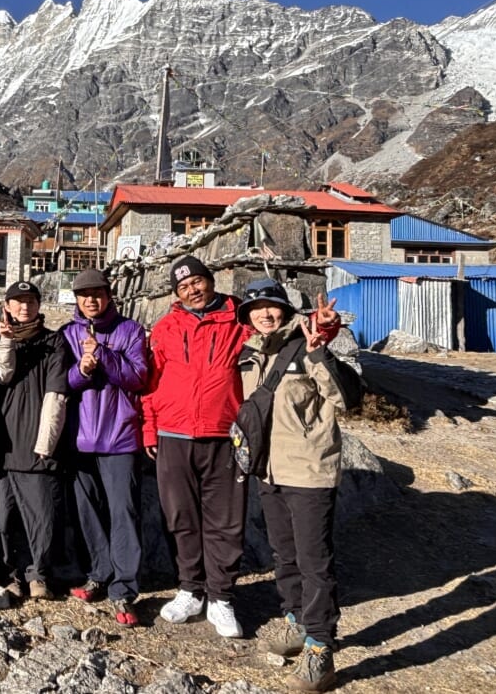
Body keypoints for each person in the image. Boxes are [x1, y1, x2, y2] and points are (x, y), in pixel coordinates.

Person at [144, 255, 338, 639]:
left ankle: (221, 595)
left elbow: (284, 335)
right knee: (181, 517)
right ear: (176, 295)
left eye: (197, 282)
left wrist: (324, 331)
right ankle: (190, 589)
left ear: (210, 281)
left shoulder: (239, 318)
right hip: (174, 433)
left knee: (225, 521)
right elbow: (152, 381)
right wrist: (149, 429)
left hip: (225, 433)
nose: (192, 290)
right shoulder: (166, 327)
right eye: (183, 288)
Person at [238, 279, 354, 692]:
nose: (264, 314)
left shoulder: (305, 346)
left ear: (285, 311)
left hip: (308, 471)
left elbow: (345, 400)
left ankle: (321, 647)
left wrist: (319, 349)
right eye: (256, 308)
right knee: (283, 555)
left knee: (313, 561)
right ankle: (295, 619)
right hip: (269, 471)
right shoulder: (251, 354)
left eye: (271, 306)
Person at [60, 267, 150, 626]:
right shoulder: (67, 334)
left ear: (109, 294)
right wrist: (81, 369)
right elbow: (63, 382)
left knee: (123, 512)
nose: (91, 300)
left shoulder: (130, 330)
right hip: (80, 437)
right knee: (89, 512)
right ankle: (99, 572)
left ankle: (125, 589)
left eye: (97, 293)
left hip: (120, 435)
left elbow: (139, 377)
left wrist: (105, 357)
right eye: (84, 295)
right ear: (77, 299)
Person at [0, 279, 69, 605]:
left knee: (43, 519)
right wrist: (5, 344)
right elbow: (2, 375)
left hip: (37, 446)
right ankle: (9, 577)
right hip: (4, 444)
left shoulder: (54, 343)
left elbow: (56, 394)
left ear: (38, 305)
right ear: (6, 306)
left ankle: (39, 575)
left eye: (30, 301)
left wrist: (45, 443)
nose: (24, 307)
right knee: (3, 519)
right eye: (17, 302)